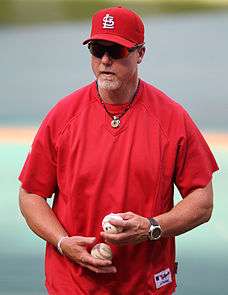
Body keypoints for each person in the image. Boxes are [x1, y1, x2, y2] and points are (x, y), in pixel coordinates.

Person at [18, 6, 219, 295]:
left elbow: (202, 200)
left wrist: (151, 227)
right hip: (72, 283)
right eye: (97, 49)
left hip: (145, 283)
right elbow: (31, 194)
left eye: (116, 50)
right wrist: (63, 243)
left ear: (141, 54)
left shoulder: (171, 119)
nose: (105, 60)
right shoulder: (63, 116)